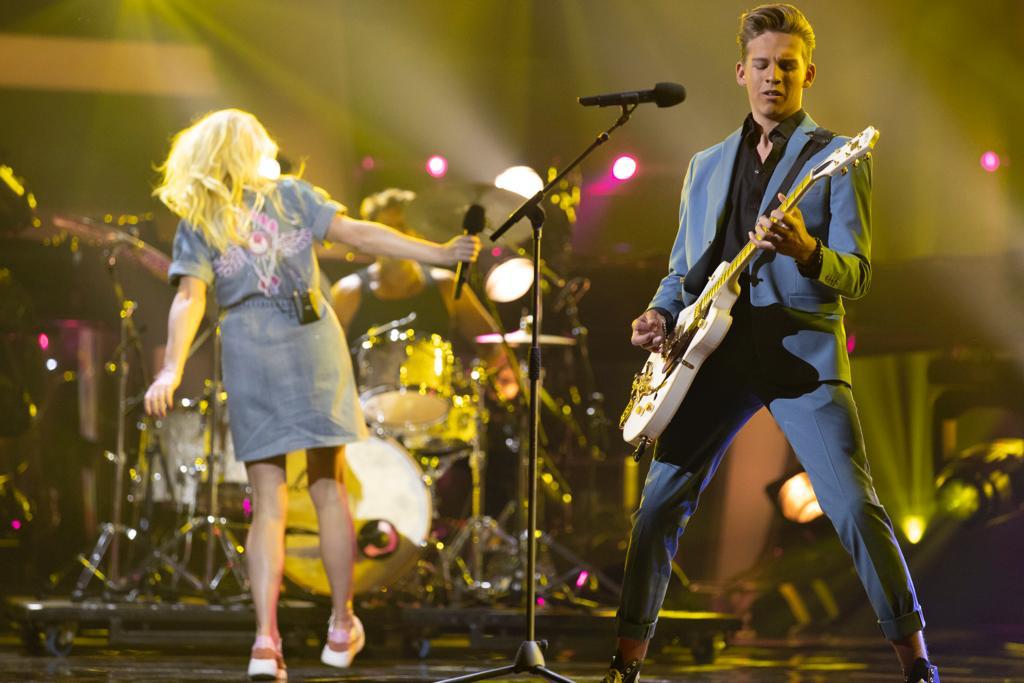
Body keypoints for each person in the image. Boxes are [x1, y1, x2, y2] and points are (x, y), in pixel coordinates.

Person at [606, 6, 938, 683]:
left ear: (808, 74)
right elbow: (681, 271)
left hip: (802, 361)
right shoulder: (705, 165)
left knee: (854, 507)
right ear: (741, 72)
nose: (773, 77)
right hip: (711, 359)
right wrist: (657, 313)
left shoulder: (836, 159)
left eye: (787, 65)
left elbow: (858, 274)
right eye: (761, 64)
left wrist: (809, 251)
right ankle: (623, 666)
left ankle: (918, 665)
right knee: (658, 507)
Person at [142, 109, 480, 680]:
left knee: (268, 502)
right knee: (329, 488)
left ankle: (265, 643)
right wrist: (439, 253)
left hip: (248, 343)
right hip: (309, 339)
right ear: (251, 146)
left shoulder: (201, 215)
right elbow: (360, 234)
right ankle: (342, 625)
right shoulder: (293, 195)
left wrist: (171, 370)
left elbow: (189, 298)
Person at [329, 187, 519, 401]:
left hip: (441, 411)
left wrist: (471, 380)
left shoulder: (446, 285)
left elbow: (492, 344)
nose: (395, 237)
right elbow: (325, 359)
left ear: (417, 231)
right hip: (366, 414)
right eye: (386, 229)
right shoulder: (347, 292)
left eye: (402, 227)